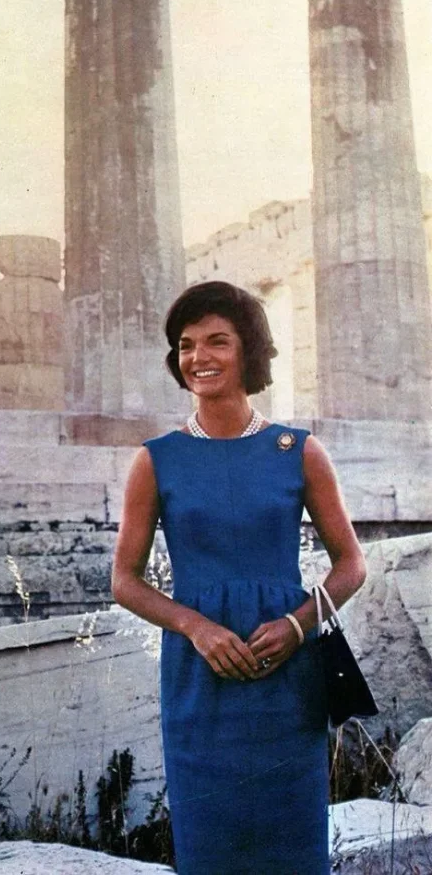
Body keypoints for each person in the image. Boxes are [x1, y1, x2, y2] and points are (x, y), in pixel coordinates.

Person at [111, 280, 367, 875]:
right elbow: (124, 580)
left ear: (248, 349)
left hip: (287, 679)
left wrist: (300, 626)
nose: (199, 357)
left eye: (217, 341)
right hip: (200, 678)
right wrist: (196, 628)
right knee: (210, 850)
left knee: (293, 848)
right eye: (186, 345)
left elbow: (351, 564)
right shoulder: (156, 459)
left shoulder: (298, 451)